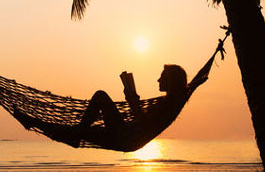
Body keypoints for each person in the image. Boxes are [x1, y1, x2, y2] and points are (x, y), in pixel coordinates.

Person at [14, 64, 188, 150]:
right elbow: (144, 122)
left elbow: (145, 124)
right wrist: (132, 100)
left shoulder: (168, 104)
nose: (158, 80)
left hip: (125, 136)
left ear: (171, 81)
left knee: (100, 96)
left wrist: (134, 102)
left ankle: (35, 122)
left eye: (162, 77)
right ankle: (32, 122)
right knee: (74, 131)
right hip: (125, 133)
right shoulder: (171, 101)